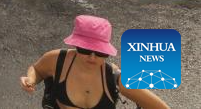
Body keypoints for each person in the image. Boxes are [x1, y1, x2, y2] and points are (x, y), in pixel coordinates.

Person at [19, 14, 170, 109]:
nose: (92, 57)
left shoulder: (114, 77)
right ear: (76, 46)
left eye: (99, 52)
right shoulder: (56, 60)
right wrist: (31, 79)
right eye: (85, 50)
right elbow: (37, 69)